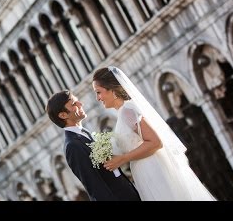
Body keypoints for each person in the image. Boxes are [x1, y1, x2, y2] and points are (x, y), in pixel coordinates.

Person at [92, 66, 216, 201]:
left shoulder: (128, 111)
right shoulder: (123, 113)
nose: (97, 98)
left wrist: (123, 159)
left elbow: (155, 142)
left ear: (112, 90)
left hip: (153, 169)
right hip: (144, 170)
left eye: (98, 92)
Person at [45, 90, 141, 201]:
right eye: (74, 104)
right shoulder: (72, 146)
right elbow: (95, 187)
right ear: (63, 115)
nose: (81, 104)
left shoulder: (84, 133)